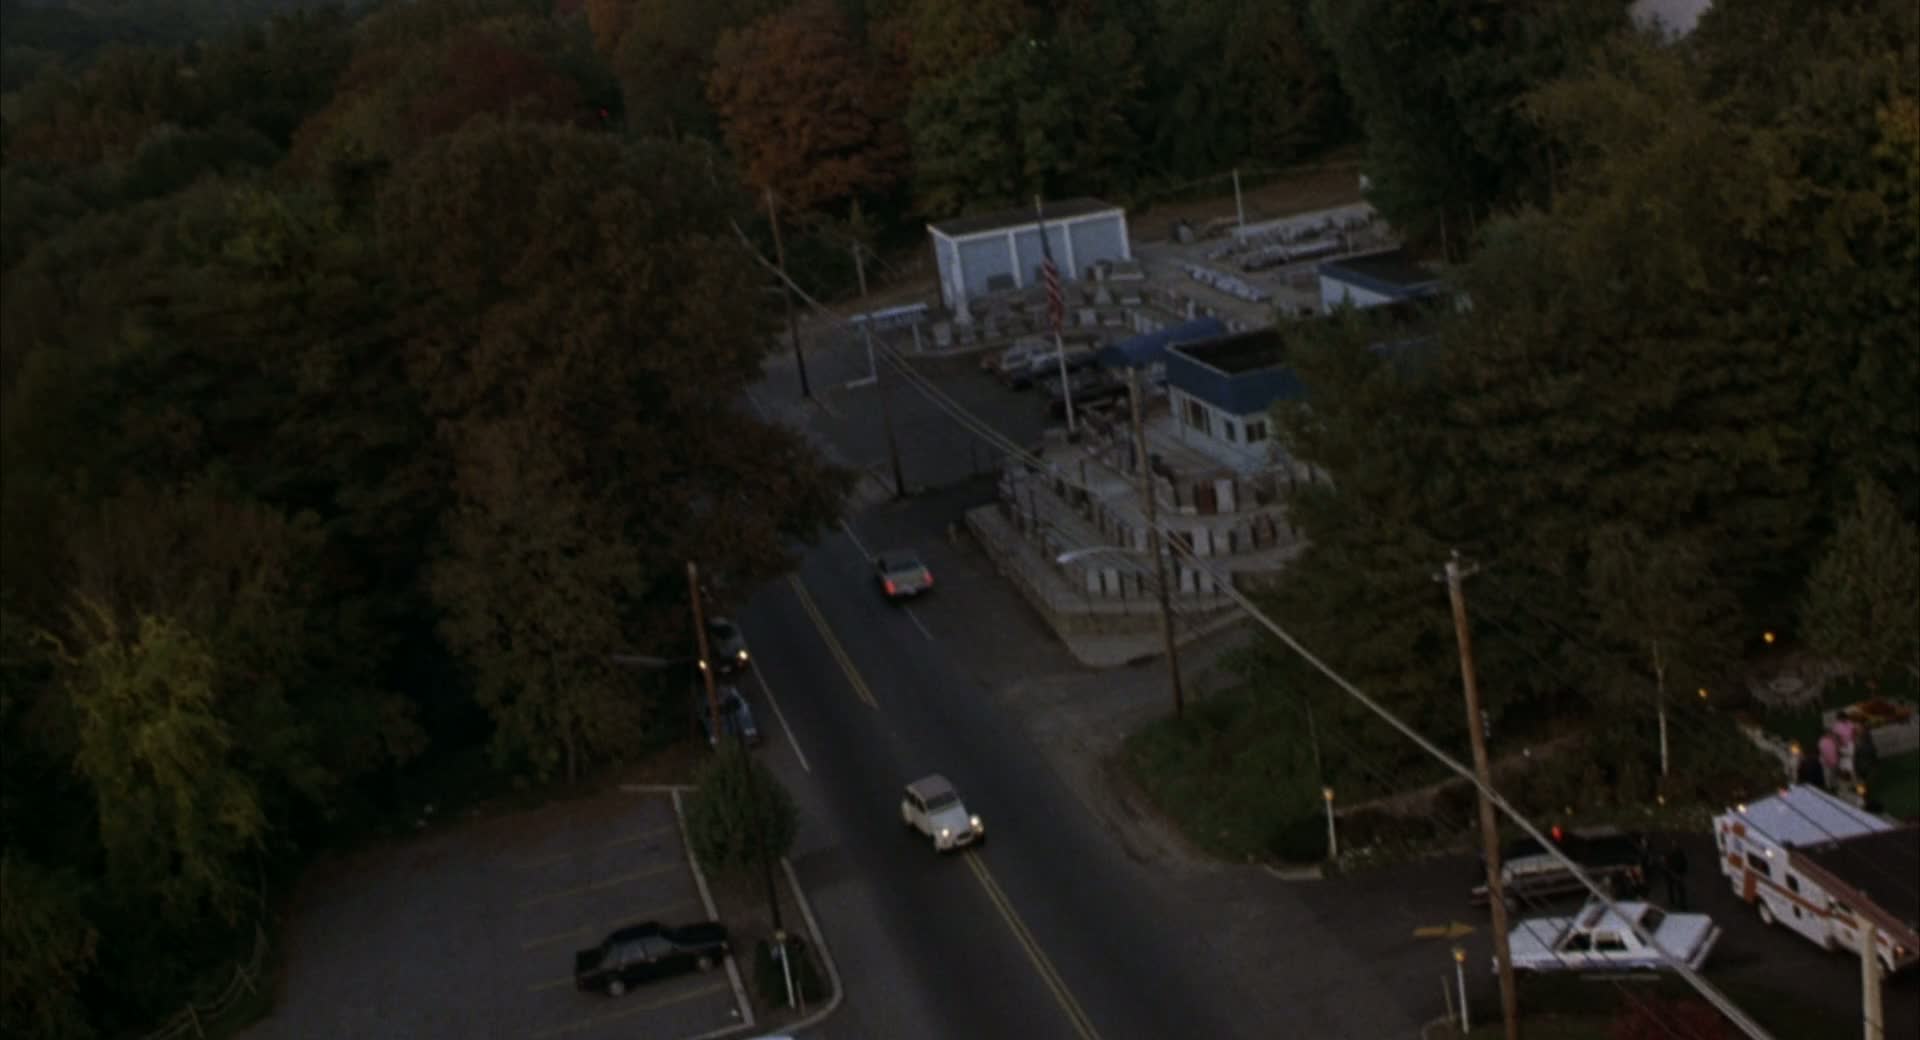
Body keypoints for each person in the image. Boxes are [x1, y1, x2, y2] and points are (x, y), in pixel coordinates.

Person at [1664, 845, 1690, 910]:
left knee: (1676, 889)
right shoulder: (1676, 855)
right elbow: (1684, 864)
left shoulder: (1672, 855)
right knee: (1679, 890)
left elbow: (1684, 864)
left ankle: (1676, 902)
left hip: (1674, 874)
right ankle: (1680, 904)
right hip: (1675, 874)